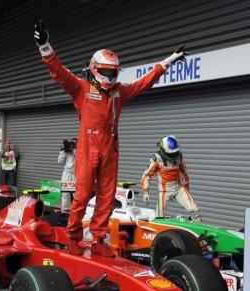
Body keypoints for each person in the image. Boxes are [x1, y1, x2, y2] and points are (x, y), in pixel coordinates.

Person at [34, 20, 188, 256]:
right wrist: (45, 46)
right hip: (87, 148)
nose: (109, 75)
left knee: (107, 197)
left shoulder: (120, 92)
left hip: (111, 150)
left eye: (113, 71)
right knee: (83, 195)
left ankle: (98, 239)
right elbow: (59, 72)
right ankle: (72, 236)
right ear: (95, 68)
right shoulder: (81, 88)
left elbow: (144, 82)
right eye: (105, 71)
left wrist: (166, 62)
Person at [141, 136, 201, 222]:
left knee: (195, 210)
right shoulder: (156, 159)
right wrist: (145, 192)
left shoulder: (179, 156)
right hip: (164, 190)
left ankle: (196, 231)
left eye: (175, 153)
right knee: (159, 218)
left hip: (179, 187)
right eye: (171, 154)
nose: (174, 155)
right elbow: (146, 175)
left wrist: (187, 189)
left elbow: (184, 172)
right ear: (163, 150)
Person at [58, 138, 77, 212]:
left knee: (77, 195)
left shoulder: (80, 150)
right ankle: (64, 212)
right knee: (65, 195)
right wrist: (63, 150)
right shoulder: (67, 151)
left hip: (76, 175)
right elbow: (60, 161)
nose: (73, 145)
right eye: (72, 143)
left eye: (75, 143)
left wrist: (75, 150)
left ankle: (76, 212)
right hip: (67, 174)